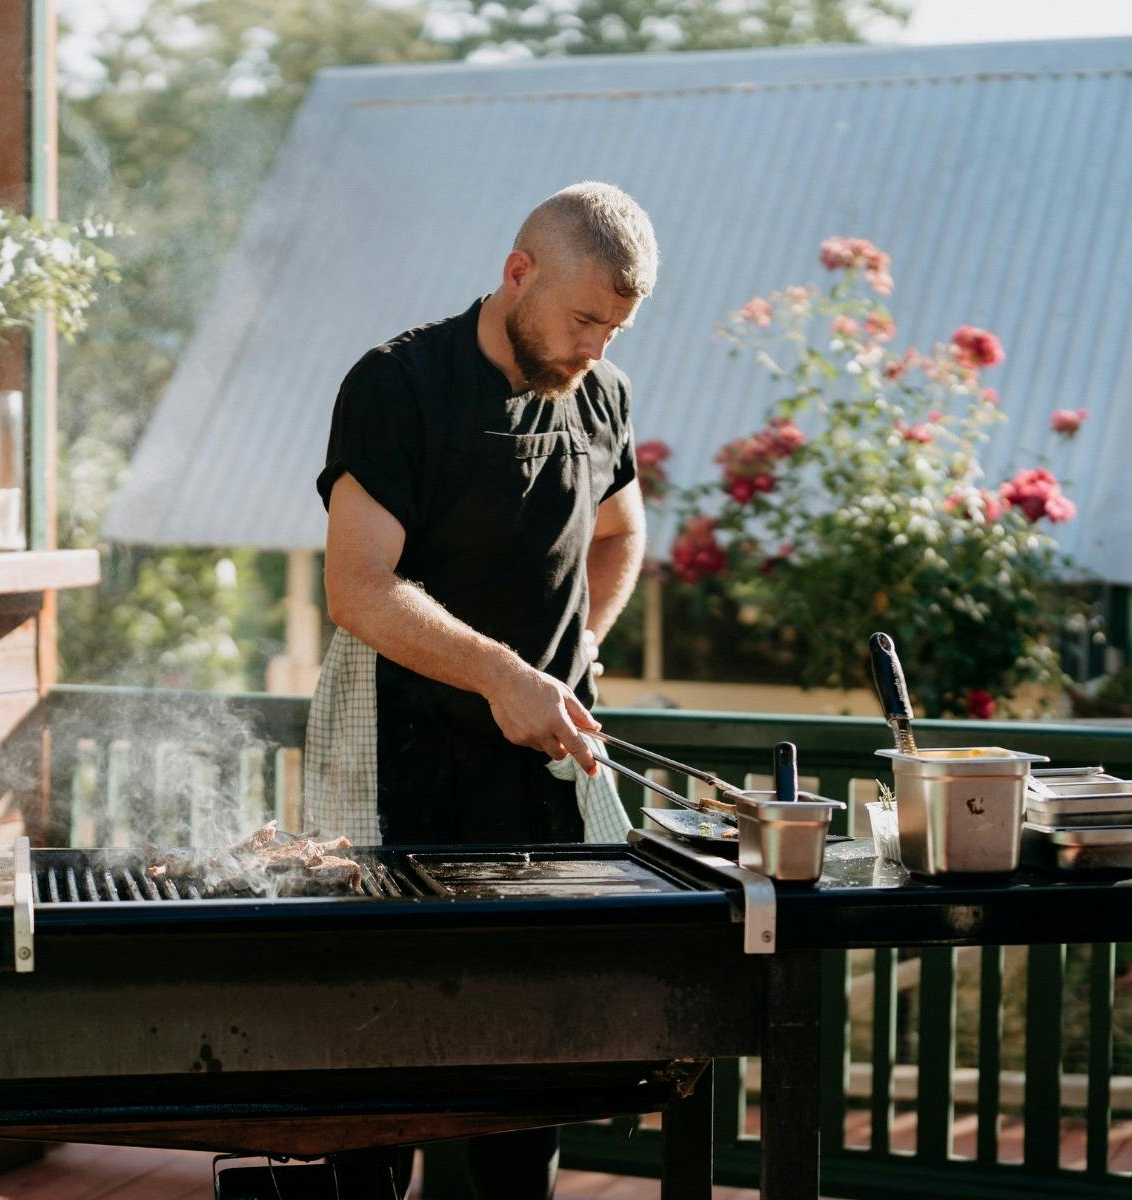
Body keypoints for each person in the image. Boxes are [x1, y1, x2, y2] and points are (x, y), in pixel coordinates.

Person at [304, 181, 657, 1198]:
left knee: (526, 1059)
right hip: (393, 759)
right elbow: (357, 589)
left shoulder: (605, 393)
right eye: (586, 318)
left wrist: (575, 651)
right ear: (517, 274)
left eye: (618, 326)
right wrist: (507, 675)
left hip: (534, 773)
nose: (598, 345)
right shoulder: (397, 383)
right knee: (374, 1065)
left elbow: (623, 533)